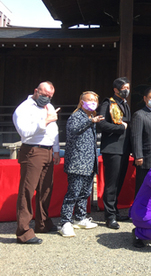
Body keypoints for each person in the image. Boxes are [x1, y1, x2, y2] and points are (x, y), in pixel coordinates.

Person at [13, 81, 60, 244]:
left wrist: (55, 149)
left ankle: (43, 222)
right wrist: (45, 121)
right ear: (36, 91)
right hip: (32, 150)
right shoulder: (24, 108)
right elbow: (24, 132)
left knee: (46, 188)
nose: (47, 98)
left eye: (50, 96)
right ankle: (24, 231)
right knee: (27, 190)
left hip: (48, 149)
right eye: (45, 95)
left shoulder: (49, 106)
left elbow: (54, 129)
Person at [58, 91, 104, 237]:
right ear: (81, 102)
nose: (92, 103)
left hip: (89, 162)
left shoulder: (90, 117)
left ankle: (80, 217)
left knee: (85, 193)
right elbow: (73, 130)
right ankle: (65, 222)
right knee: (73, 193)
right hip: (77, 162)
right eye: (89, 100)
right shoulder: (76, 116)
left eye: (94, 100)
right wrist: (91, 122)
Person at [96, 77, 132, 229]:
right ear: (116, 90)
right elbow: (101, 124)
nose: (126, 91)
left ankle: (115, 211)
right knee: (111, 183)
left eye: (128, 88)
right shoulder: (108, 103)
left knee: (119, 182)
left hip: (124, 149)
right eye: (124, 88)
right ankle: (109, 216)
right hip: (112, 149)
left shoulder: (124, 104)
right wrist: (119, 128)